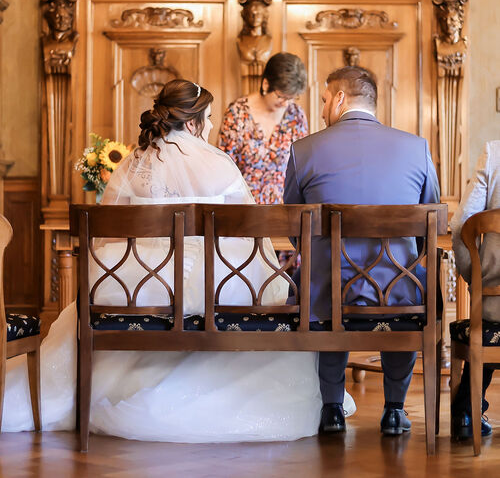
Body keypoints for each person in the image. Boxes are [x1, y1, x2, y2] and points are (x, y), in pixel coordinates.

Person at [2, 79, 355, 441]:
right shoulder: (218, 164)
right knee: (251, 287)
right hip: (214, 291)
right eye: (209, 119)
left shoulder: (130, 166)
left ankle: (116, 386)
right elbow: (253, 234)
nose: (213, 126)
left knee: (119, 287)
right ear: (192, 123)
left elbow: (107, 237)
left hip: (137, 289)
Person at [284, 66, 440, 436]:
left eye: (323, 101)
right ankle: (394, 410)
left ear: (339, 98)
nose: (322, 111)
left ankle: (332, 409)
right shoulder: (416, 148)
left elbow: (292, 226)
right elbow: (428, 221)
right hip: (400, 293)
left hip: (325, 293)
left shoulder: (303, 150)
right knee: (409, 282)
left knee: (323, 283)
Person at [450, 140, 500, 439]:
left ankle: (467, 412)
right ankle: (468, 408)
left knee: (486, 328)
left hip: (495, 305)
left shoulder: (495, 153)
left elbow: (460, 226)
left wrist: (479, 282)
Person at [218, 52, 308, 204]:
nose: (286, 104)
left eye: (291, 98)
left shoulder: (296, 116)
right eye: (281, 96)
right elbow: (224, 166)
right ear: (266, 84)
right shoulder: (237, 112)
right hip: (243, 207)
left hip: (285, 209)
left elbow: (302, 167)